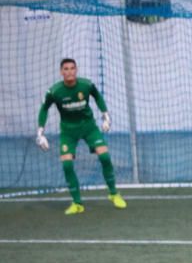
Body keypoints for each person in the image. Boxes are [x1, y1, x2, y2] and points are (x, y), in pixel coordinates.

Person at [36, 58, 127, 215]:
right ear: (61, 72)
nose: (69, 71)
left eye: (72, 68)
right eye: (66, 69)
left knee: (104, 156)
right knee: (67, 165)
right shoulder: (54, 91)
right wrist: (40, 133)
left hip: (89, 128)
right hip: (68, 132)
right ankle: (77, 203)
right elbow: (44, 109)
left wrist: (106, 116)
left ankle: (113, 194)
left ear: (76, 70)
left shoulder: (86, 85)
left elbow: (97, 96)